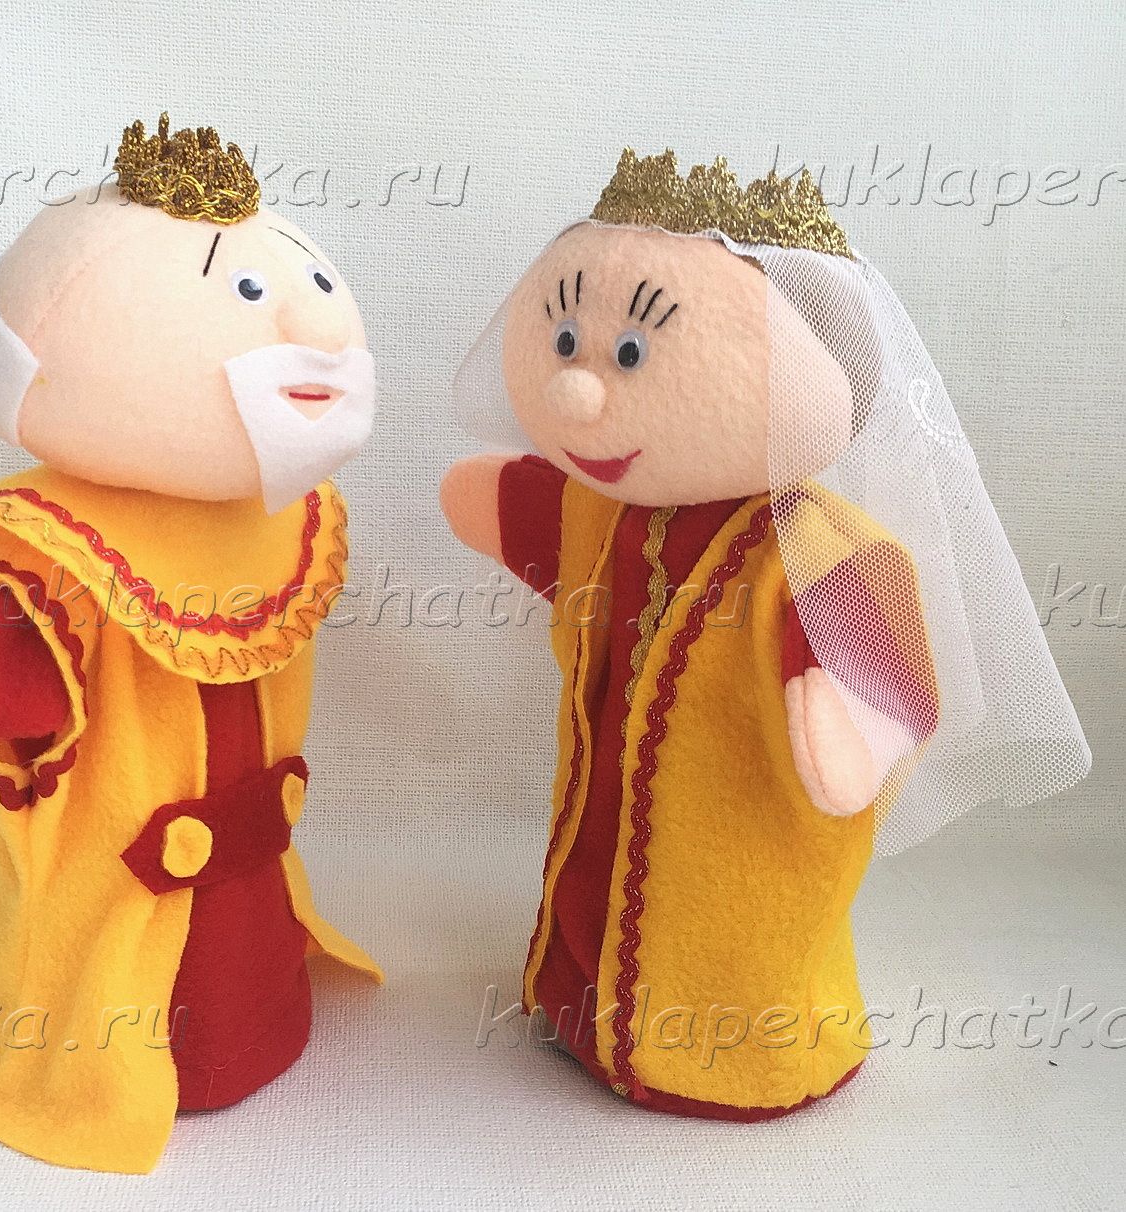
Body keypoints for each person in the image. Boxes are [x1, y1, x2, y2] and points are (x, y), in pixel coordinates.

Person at [441, 150, 1088, 1118]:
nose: (577, 392)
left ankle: (726, 1053)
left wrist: (855, 729)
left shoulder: (821, 549)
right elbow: (557, 539)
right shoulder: (605, 511)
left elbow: (889, 679)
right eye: (565, 340)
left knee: (726, 932)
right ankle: (577, 998)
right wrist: (501, 504)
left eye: (629, 354)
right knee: (594, 890)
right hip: (605, 815)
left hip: (745, 842)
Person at [0, 115, 381, 1173]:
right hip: (118, 960)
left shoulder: (274, 520)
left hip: (251, 936)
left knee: (242, 927)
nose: (313, 325)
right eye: (249, 294)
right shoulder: (58, 548)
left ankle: (258, 1007)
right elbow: (20, 657)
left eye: (308, 284)